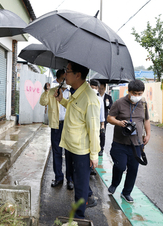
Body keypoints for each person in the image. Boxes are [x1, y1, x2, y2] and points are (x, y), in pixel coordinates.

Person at [54, 61, 100, 219]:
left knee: (80, 186)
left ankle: (79, 218)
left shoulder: (90, 98)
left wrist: (94, 154)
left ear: (78, 75)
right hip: (70, 145)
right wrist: (62, 100)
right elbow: (76, 113)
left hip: (81, 150)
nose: (64, 74)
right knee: (75, 179)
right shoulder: (76, 92)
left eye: (67, 71)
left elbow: (94, 129)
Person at [107, 79, 150, 203]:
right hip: (120, 143)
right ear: (129, 91)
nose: (137, 96)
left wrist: (148, 134)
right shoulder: (119, 103)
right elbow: (110, 118)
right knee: (120, 166)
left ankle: (126, 192)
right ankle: (115, 183)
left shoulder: (143, 103)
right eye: (135, 93)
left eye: (139, 93)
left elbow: (146, 120)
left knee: (133, 169)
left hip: (137, 144)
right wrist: (119, 122)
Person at [39, 69, 73, 190]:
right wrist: (46, 91)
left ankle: (70, 179)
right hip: (56, 126)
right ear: (58, 80)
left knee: (69, 153)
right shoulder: (52, 91)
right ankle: (59, 177)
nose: (65, 80)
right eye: (63, 78)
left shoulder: (72, 92)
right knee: (57, 152)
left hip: (69, 126)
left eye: (66, 77)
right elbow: (43, 102)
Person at [98, 82, 113, 156]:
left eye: (102, 89)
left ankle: (101, 148)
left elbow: (111, 107)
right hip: (96, 118)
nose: (100, 90)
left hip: (104, 119)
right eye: (99, 88)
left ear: (105, 88)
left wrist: (107, 104)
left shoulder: (108, 97)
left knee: (102, 134)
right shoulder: (96, 95)